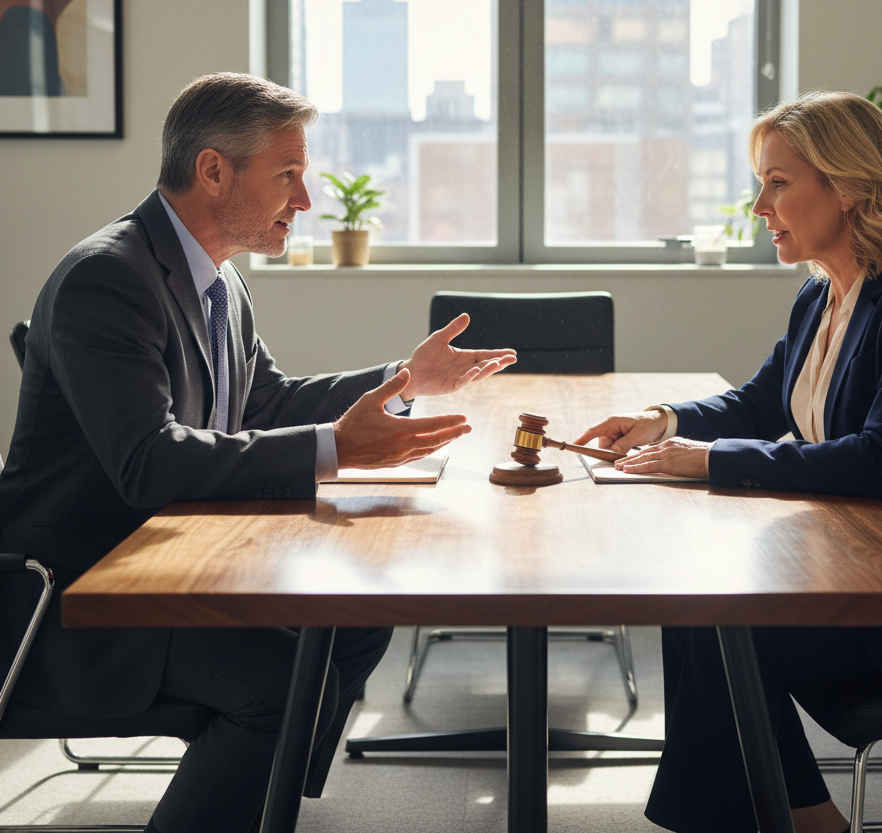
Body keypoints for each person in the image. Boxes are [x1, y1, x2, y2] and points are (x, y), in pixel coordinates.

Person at [0, 72, 516, 833]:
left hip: (169, 561)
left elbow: (264, 402)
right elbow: (147, 462)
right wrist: (339, 448)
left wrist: (405, 380)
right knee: (279, 684)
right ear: (213, 170)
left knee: (358, 613)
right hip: (79, 597)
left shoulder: (215, 278)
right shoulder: (107, 279)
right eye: (288, 175)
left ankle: (262, 800)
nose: (304, 200)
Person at [577, 91, 882, 833]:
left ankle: (804, 823)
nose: (760, 206)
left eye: (778, 183)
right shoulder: (823, 297)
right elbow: (758, 404)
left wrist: (710, 462)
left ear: (847, 188)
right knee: (700, 611)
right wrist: (662, 422)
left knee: (722, 624)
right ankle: (801, 819)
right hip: (858, 573)